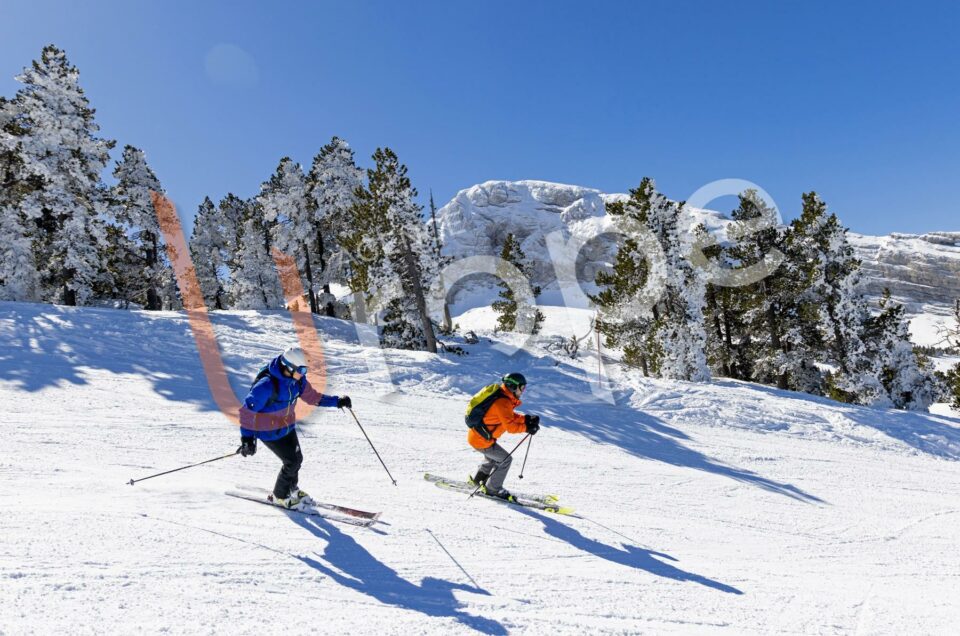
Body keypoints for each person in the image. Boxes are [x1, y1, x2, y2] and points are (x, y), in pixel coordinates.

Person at [237, 345, 351, 508]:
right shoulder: (266, 385)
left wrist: (337, 401)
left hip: (287, 426)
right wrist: (247, 439)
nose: (305, 374)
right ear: (289, 368)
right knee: (291, 462)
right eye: (302, 370)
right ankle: (280, 496)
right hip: (268, 431)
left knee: (297, 460)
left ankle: (291, 488)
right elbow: (247, 411)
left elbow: (312, 397)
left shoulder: (297, 381)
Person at [466, 372, 540, 501]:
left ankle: (479, 480)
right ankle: (492, 489)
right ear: (513, 386)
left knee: (492, 458)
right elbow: (510, 427)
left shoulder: (504, 399)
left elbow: (508, 417)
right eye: (522, 388)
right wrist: (527, 428)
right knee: (505, 459)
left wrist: (526, 419)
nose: (523, 391)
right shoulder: (503, 402)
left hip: (479, 437)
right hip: (481, 440)